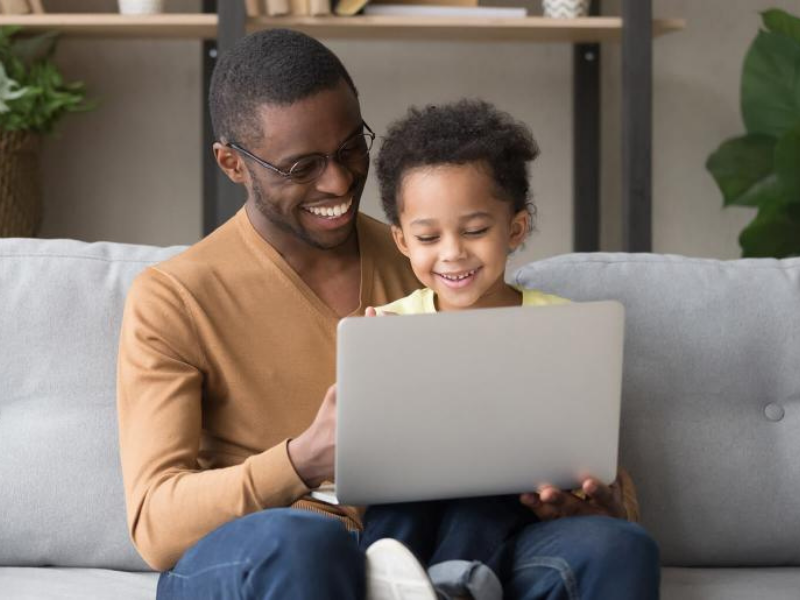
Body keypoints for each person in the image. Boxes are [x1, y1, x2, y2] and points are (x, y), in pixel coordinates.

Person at [116, 27, 658, 600]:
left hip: (441, 550)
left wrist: (595, 500)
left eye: (352, 147)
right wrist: (303, 459)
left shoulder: (435, 263)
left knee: (618, 548)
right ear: (232, 164)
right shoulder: (174, 297)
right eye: (303, 167)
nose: (341, 180)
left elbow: (541, 423)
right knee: (307, 545)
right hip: (275, 549)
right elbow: (156, 525)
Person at [356, 99, 660, 600]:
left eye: (475, 230)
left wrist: (591, 491)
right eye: (428, 236)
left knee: (492, 471)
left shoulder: (560, 324)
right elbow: (366, 463)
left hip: (516, 504)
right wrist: (368, 386)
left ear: (514, 229)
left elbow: (592, 450)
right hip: (411, 510)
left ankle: (459, 581)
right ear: (402, 241)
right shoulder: (389, 326)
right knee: (404, 498)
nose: (452, 252)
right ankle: (392, 583)